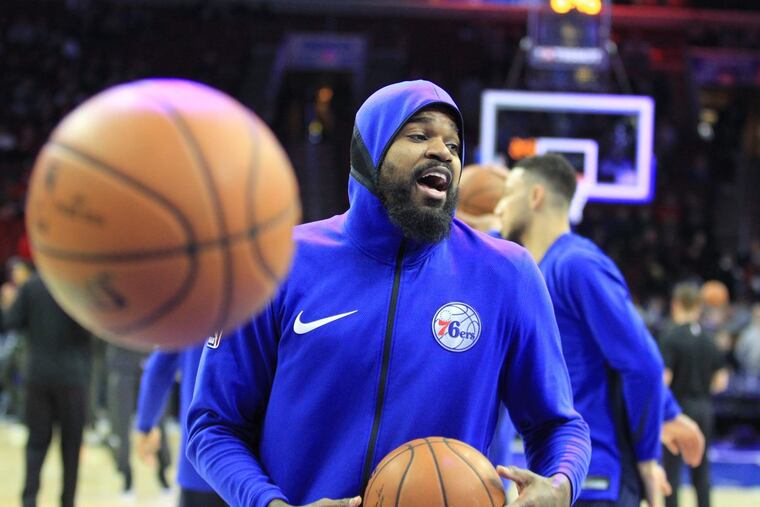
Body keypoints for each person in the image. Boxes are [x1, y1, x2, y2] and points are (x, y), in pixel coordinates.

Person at [187, 80, 591, 507]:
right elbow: (213, 425)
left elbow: (558, 424)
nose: (443, 152)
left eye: (454, 145)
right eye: (419, 135)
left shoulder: (507, 274)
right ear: (369, 152)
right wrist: (270, 504)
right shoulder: (275, 264)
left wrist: (560, 486)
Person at [496, 154, 674, 507]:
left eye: (508, 193)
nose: (500, 206)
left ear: (535, 197)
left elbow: (643, 363)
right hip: (562, 473)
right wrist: (671, 414)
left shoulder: (576, 263)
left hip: (597, 476)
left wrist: (648, 459)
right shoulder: (538, 268)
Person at [1, 271, 92, 507]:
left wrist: (10, 303)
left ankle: (29, 500)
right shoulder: (76, 286)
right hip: (72, 378)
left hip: (37, 377)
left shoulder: (30, 286)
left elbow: (11, 322)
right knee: (71, 446)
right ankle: (68, 502)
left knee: (36, 443)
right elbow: (89, 332)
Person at [659, 282, 728, 507]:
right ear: (699, 306)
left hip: (677, 410)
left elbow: (664, 380)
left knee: (672, 471)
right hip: (704, 408)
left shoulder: (669, 338)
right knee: (702, 470)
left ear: (675, 304)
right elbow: (721, 382)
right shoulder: (710, 340)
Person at [134, 344, 227, 507]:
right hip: (260, 473)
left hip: (201, 462)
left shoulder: (187, 318)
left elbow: (159, 369)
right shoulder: (266, 318)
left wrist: (145, 425)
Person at [104, 342, 170, 496]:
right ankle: (126, 476)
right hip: (121, 359)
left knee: (158, 419)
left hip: (151, 352)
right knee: (120, 422)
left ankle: (163, 474)